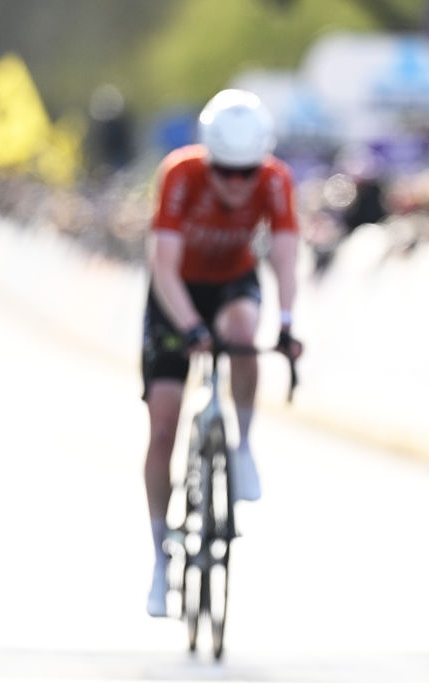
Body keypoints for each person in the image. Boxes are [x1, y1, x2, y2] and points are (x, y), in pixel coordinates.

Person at [142, 89, 302, 617]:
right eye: (225, 172)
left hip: (233, 280)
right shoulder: (180, 174)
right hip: (177, 294)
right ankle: (161, 556)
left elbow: (283, 255)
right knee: (163, 424)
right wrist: (189, 327)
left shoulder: (274, 179)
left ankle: (244, 444)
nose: (237, 184)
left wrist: (285, 323)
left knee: (244, 330)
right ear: (208, 158)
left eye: (246, 172)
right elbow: (163, 264)